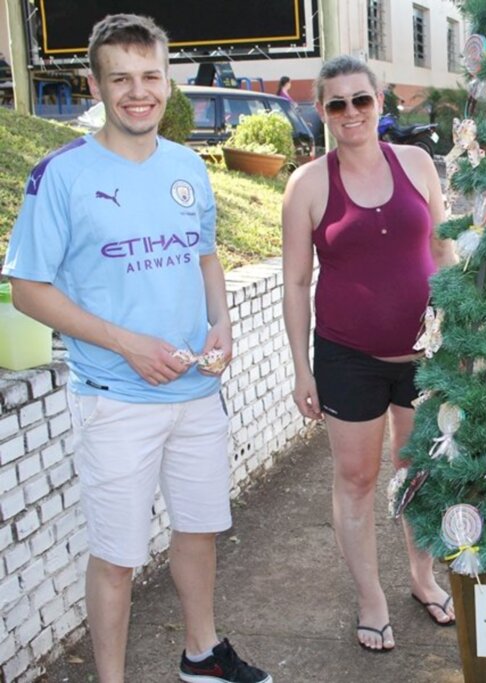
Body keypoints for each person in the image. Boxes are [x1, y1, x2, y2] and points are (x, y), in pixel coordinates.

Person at [1, 14, 271, 683]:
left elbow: (206, 258)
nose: (138, 91)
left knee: (200, 530)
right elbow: (28, 289)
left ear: (167, 81)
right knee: (117, 556)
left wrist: (222, 326)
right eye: (120, 78)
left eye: (150, 75)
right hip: (116, 399)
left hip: (195, 393)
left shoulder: (187, 165)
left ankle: (202, 654)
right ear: (94, 83)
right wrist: (127, 344)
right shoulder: (59, 174)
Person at [281, 55, 456, 653]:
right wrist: (302, 368)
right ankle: (370, 597)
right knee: (355, 479)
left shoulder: (417, 163)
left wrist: (459, 328)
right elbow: (296, 283)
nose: (351, 112)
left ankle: (422, 576)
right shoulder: (306, 185)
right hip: (346, 357)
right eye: (337, 104)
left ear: (381, 102)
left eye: (361, 100)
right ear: (323, 112)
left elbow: (442, 245)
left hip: (423, 356)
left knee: (419, 471)